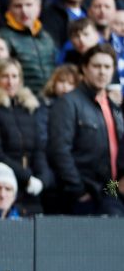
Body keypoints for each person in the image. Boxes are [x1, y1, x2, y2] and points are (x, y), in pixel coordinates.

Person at [47, 43, 124, 216]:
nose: (102, 72)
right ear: (84, 68)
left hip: (110, 192)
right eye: (96, 66)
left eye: (107, 67)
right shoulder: (68, 102)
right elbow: (58, 150)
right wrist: (79, 191)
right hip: (81, 196)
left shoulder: (114, 107)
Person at [0, 58, 53, 215]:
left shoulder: (27, 106)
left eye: (15, 76)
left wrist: (43, 179)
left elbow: (38, 150)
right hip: (3, 186)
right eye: (5, 76)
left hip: (31, 189)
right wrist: (27, 178)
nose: (11, 82)